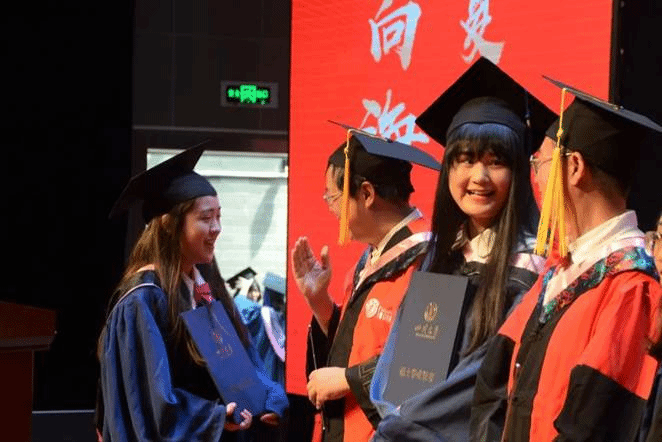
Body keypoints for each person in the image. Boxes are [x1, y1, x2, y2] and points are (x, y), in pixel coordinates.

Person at [368, 57, 555, 442]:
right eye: (465, 160)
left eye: (496, 162)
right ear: (448, 170)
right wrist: (391, 415)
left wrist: (401, 427)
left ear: (518, 173)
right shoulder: (441, 256)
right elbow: (398, 367)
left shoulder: (531, 270)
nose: (479, 177)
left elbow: (481, 382)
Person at [471, 79, 662, 441]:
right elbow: (492, 387)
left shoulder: (631, 289)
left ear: (574, 167)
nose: (536, 179)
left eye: (539, 163)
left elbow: (591, 428)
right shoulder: (559, 274)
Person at [96, 143, 288, 441]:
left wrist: (268, 397)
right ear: (168, 224)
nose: (217, 228)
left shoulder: (206, 289)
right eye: (206, 218)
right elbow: (147, 402)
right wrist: (213, 418)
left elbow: (244, 362)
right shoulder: (142, 299)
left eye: (219, 216)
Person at [290, 130, 439, 442]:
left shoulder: (433, 261)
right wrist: (320, 302)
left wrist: (348, 379)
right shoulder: (373, 257)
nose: (330, 207)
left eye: (333, 197)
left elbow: (425, 366)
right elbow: (359, 342)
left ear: (367, 194)